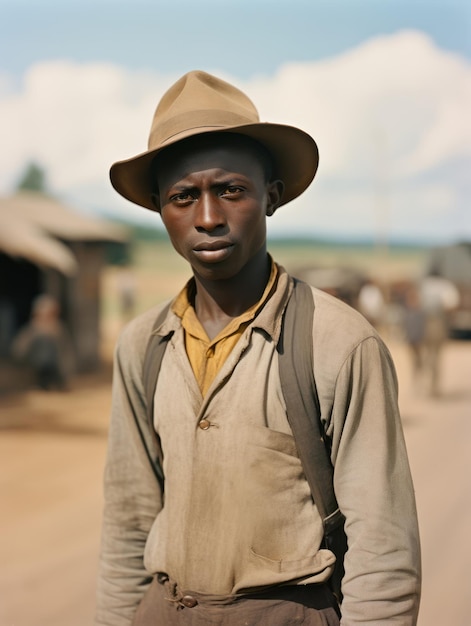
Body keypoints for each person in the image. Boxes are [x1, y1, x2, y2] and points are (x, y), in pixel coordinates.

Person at [96, 71, 421, 626]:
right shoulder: (143, 345)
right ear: (159, 210)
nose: (207, 218)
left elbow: (383, 547)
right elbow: (129, 518)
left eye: (230, 190)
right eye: (182, 197)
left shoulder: (337, 342)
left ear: (270, 197)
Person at [12, 294, 74, 390]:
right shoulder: (31, 330)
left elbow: (68, 355)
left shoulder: (59, 330)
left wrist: (66, 375)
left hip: (57, 372)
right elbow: (18, 351)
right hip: (35, 371)